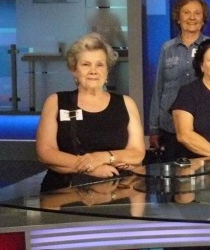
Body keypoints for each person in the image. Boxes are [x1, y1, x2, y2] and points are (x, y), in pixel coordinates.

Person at [36, 33, 146, 192]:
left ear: (107, 70)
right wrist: (90, 168)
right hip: (64, 191)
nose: (93, 71)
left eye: (99, 65)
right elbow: (45, 152)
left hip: (118, 191)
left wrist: (103, 157)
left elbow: (137, 153)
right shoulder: (56, 101)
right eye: (86, 64)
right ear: (74, 70)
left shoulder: (126, 103)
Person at [149, 0, 210, 160]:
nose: (192, 17)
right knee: (174, 180)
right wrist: (153, 129)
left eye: (197, 13)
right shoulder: (167, 48)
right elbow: (158, 88)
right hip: (170, 128)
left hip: (202, 127)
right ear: (178, 18)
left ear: (204, 19)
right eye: (186, 12)